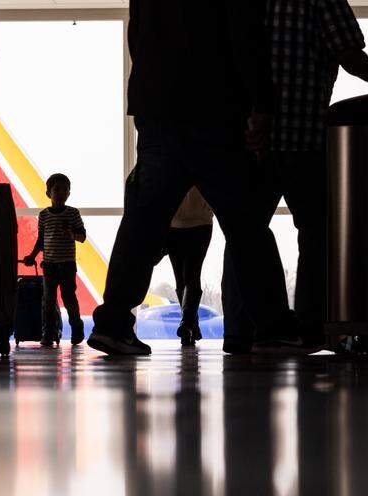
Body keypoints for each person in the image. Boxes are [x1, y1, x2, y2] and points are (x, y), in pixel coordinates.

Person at [87, 0, 314, 356]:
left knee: (142, 225)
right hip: (215, 109)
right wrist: (261, 104)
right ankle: (273, 326)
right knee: (246, 224)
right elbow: (244, 34)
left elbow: (137, 33)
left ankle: (113, 323)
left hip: (157, 107)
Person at [222, 0, 368, 354]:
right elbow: (349, 52)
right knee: (316, 233)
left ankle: (242, 329)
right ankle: (310, 325)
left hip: (252, 139)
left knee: (244, 233)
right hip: (304, 137)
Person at [23, 174, 87, 347]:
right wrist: (32, 255)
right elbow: (41, 240)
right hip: (49, 264)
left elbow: (82, 237)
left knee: (68, 298)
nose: (61, 192)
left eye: (65, 189)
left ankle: (76, 328)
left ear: (69, 193)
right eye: (57, 189)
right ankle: (48, 333)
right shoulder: (44, 215)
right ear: (48, 193)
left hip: (67, 264)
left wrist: (71, 233)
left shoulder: (73, 213)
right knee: (48, 300)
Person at [163, 188, 214, 347]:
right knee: (191, 275)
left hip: (175, 222)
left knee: (182, 278)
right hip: (201, 221)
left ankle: (187, 324)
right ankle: (190, 325)